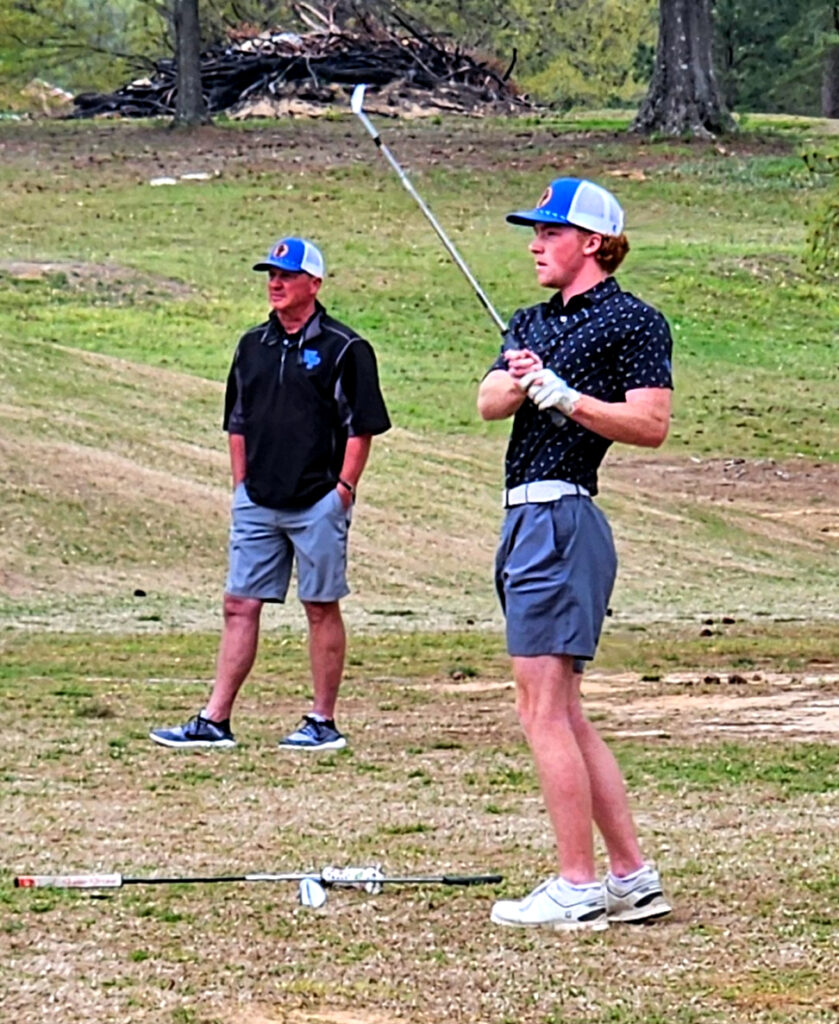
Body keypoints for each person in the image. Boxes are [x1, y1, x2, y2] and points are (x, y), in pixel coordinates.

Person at [477, 178, 674, 931]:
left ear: (591, 242)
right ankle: (629, 876)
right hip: (525, 519)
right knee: (562, 709)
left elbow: (650, 423)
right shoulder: (528, 319)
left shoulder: (633, 321)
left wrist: (571, 401)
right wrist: (522, 379)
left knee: (541, 711)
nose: (533, 244)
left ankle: (575, 884)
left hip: (562, 513)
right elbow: (486, 402)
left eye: (548, 233)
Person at [150, 237, 391, 752]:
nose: (275, 284)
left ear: (314, 284)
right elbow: (236, 419)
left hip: (318, 499)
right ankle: (215, 720)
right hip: (258, 499)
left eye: (286, 275)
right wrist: (241, 485)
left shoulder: (346, 348)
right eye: (270, 275)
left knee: (320, 604)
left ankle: (322, 721)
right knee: (239, 604)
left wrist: (344, 490)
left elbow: (360, 426)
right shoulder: (251, 345)